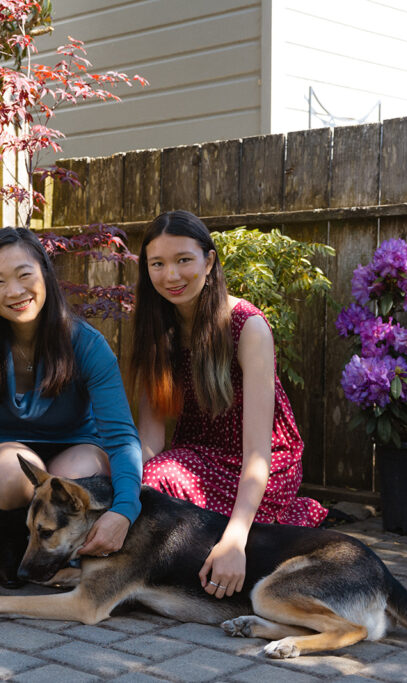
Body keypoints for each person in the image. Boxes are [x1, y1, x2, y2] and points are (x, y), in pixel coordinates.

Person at [129, 210, 327, 601]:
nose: (172, 275)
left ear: (209, 260)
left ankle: (261, 526)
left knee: (165, 487)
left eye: (184, 260)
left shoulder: (245, 325)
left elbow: (258, 452)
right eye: (158, 264)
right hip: (197, 458)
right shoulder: (156, 328)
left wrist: (236, 539)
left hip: (264, 464)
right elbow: (149, 438)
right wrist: (126, 499)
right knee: (145, 484)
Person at [0, 227, 142, 587]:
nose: (15, 291)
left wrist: (125, 512)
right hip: (1, 451)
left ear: (45, 274)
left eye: (24, 275)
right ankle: (14, 542)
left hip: (77, 446)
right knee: (15, 473)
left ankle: (68, 550)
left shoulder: (87, 345)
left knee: (73, 475)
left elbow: (121, 437)